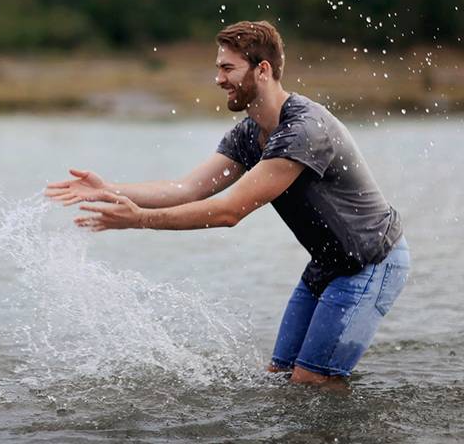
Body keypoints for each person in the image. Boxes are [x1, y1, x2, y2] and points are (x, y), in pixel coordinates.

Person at [45, 20, 409, 386]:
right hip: (328, 264)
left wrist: (139, 219)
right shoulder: (250, 132)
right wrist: (111, 189)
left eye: (227, 68)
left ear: (262, 70)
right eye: (218, 68)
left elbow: (229, 211)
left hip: (370, 261)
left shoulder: (303, 130)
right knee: (280, 377)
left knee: (312, 380)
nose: (218, 79)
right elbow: (188, 188)